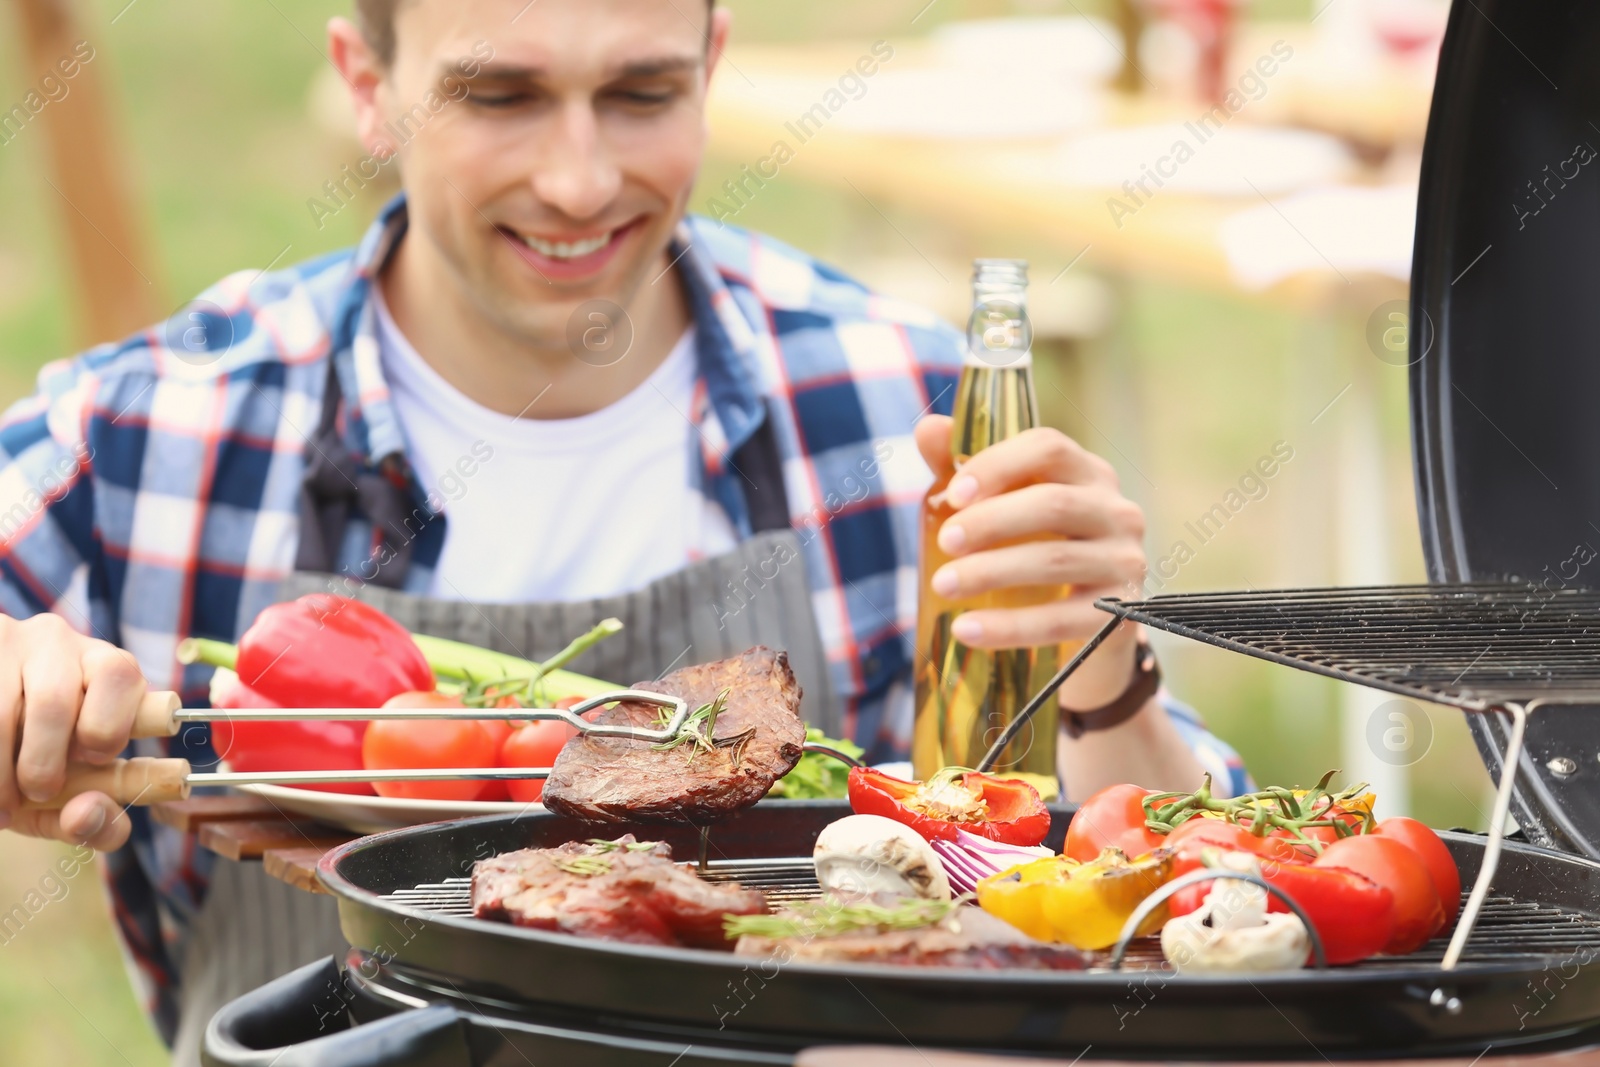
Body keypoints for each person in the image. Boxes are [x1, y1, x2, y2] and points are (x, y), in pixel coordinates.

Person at [0, 0, 1247, 1058]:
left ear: (709, 68)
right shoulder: (155, 427)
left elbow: (1200, 911)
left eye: (641, 93)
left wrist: (1107, 679)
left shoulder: (893, 406)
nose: (581, 180)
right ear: (369, 90)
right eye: (501, 97)